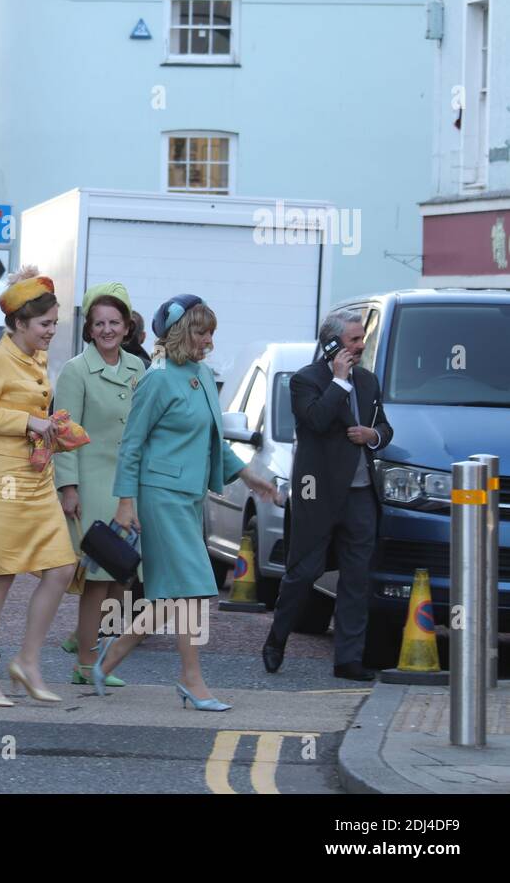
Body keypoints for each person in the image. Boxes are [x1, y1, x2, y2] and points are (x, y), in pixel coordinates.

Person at [90, 295, 279, 709]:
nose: (209, 340)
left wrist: (249, 476)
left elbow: (213, 440)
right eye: (201, 332)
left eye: (211, 332)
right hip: (160, 497)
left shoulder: (202, 374)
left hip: (190, 497)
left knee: (171, 594)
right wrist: (126, 502)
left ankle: (114, 653)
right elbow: (131, 445)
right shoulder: (157, 379)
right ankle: (190, 679)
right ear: (178, 332)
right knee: (192, 586)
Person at [0, 268, 81, 707]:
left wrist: (52, 427)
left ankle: (27, 661)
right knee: (0, 574)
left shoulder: (35, 357)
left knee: (61, 567)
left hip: (37, 474)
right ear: (20, 323)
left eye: (54, 323)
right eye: (45, 324)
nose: (52, 331)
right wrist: (28, 421)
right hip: (4, 479)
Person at [264, 311, 393, 681]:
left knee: (357, 578)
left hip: (360, 493)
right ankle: (277, 638)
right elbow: (316, 421)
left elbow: (384, 426)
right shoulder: (305, 380)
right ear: (333, 343)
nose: (361, 345)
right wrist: (338, 381)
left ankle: (348, 660)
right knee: (303, 572)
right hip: (317, 491)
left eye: (362, 338)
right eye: (354, 339)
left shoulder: (368, 381)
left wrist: (373, 436)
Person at [54, 284, 145, 685]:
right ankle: (86, 664)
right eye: (99, 323)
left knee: (123, 575)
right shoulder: (76, 371)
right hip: (91, 485)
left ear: (127, 327)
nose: (107, 330)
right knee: (98, 578)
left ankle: (86, 643)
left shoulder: (138, 368)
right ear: (89, 329)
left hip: (129, 487)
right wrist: (68, 487)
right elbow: (63, 433)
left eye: (115, 322)